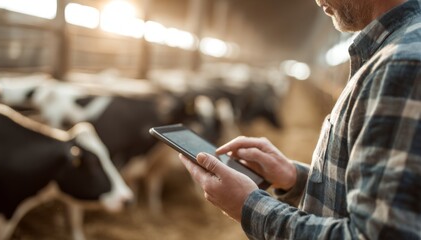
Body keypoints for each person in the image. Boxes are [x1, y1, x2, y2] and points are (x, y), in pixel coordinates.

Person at [178, 0, 421, 239]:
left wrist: (247, 206)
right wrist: (295, 178)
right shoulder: (392, 52)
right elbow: (373, 201)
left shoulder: (401, 65)